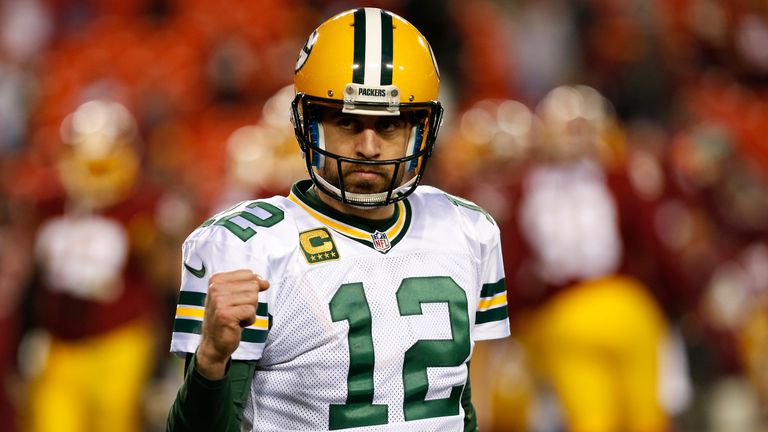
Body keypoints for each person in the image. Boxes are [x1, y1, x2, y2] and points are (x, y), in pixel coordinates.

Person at [166, 7, 510, 432]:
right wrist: (211, 358)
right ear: (307, 125)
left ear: (422, 129)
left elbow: (458, 406)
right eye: (347, 122)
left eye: (389, 125)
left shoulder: (467, 230)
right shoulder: (245, 245)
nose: (368, 147)